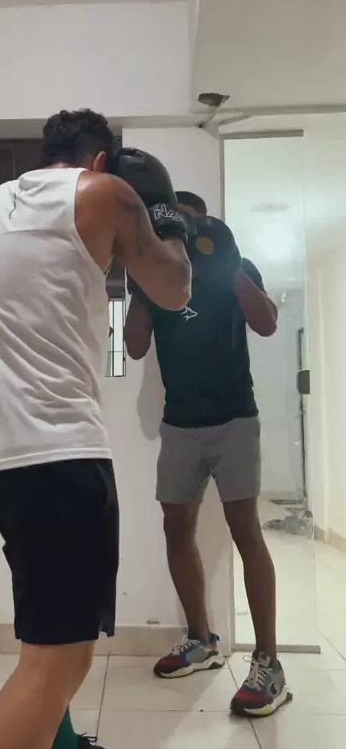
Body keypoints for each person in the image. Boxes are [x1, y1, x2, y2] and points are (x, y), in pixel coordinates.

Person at [0, 109, 191, 749]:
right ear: (99, 161)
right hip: (59, 455)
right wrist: (165, 216)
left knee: (47, 639)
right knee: (60, 661)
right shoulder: (104, 192)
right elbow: (174, 289)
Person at [124, 190, 292, 718]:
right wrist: (138, 285)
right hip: (180, 424)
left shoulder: (235, 263)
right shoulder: (156, 275)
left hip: (234, 418)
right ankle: (201, 640)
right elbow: (131, 346)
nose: (187, 236)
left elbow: (267, 323)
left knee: (246, 531)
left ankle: (268, 663)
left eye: (194, 225)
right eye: (177, 227)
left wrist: (229, 263)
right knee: (176, 527)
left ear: (207, 225)